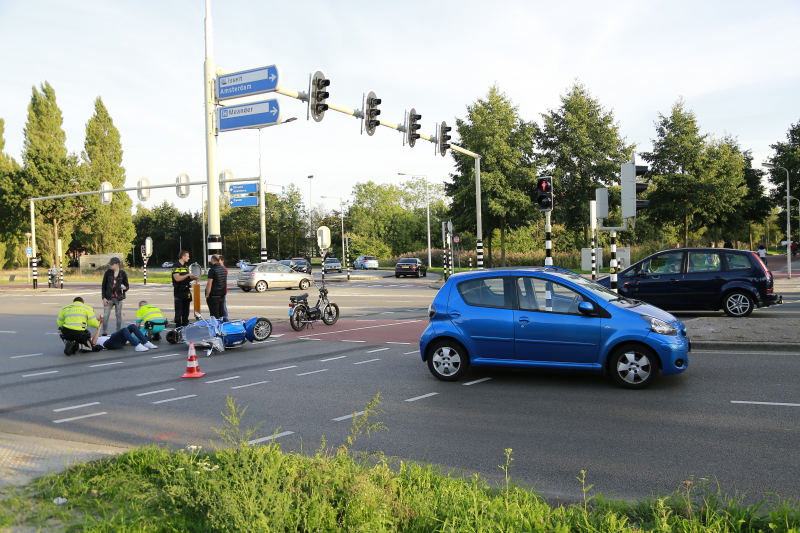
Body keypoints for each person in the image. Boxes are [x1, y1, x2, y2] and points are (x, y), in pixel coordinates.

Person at [90, 318, 157, 352]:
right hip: (109, 343)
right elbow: (93, 342)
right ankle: (137, 345)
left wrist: (128, 341)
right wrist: (99, 328)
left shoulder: (92, 337)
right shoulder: (90, 340)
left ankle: (146, 342)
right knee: (124, 330)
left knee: (132, 326)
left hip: (116, 341)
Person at [101, 257, 129, 335]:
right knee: (106, 315)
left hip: (119, 298)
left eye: (112, 264)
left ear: (117, 264)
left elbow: (127, 285)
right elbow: (103, 286)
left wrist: (125, 288)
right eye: (110, 264)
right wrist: (104, 298)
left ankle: (118, 332)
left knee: (118, 316)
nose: (110, 265)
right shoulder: (107, 273)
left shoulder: (123, 274)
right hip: (109, 298)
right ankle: (104, 331)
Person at [172, 251, 198, 328]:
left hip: (186, 290)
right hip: (179, 291)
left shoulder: (185, 266)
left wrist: (193, 278)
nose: (188, 258)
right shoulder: (176, 266)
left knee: (186, 310)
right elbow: (177, 278)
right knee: (179, 310)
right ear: (183, 257)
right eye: (187, 256)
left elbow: (185, 278)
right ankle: (178, 326)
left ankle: (185, 324)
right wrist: (188, 275)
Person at [205, 255, 226, 319]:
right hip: (222, 294)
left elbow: (209, 284)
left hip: (213, 295)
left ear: (212, 260)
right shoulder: (223, 269)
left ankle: (216, 324)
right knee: (222, 313)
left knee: (214, 314)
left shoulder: (212, 270)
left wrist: (207, 295)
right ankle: (223, 324)